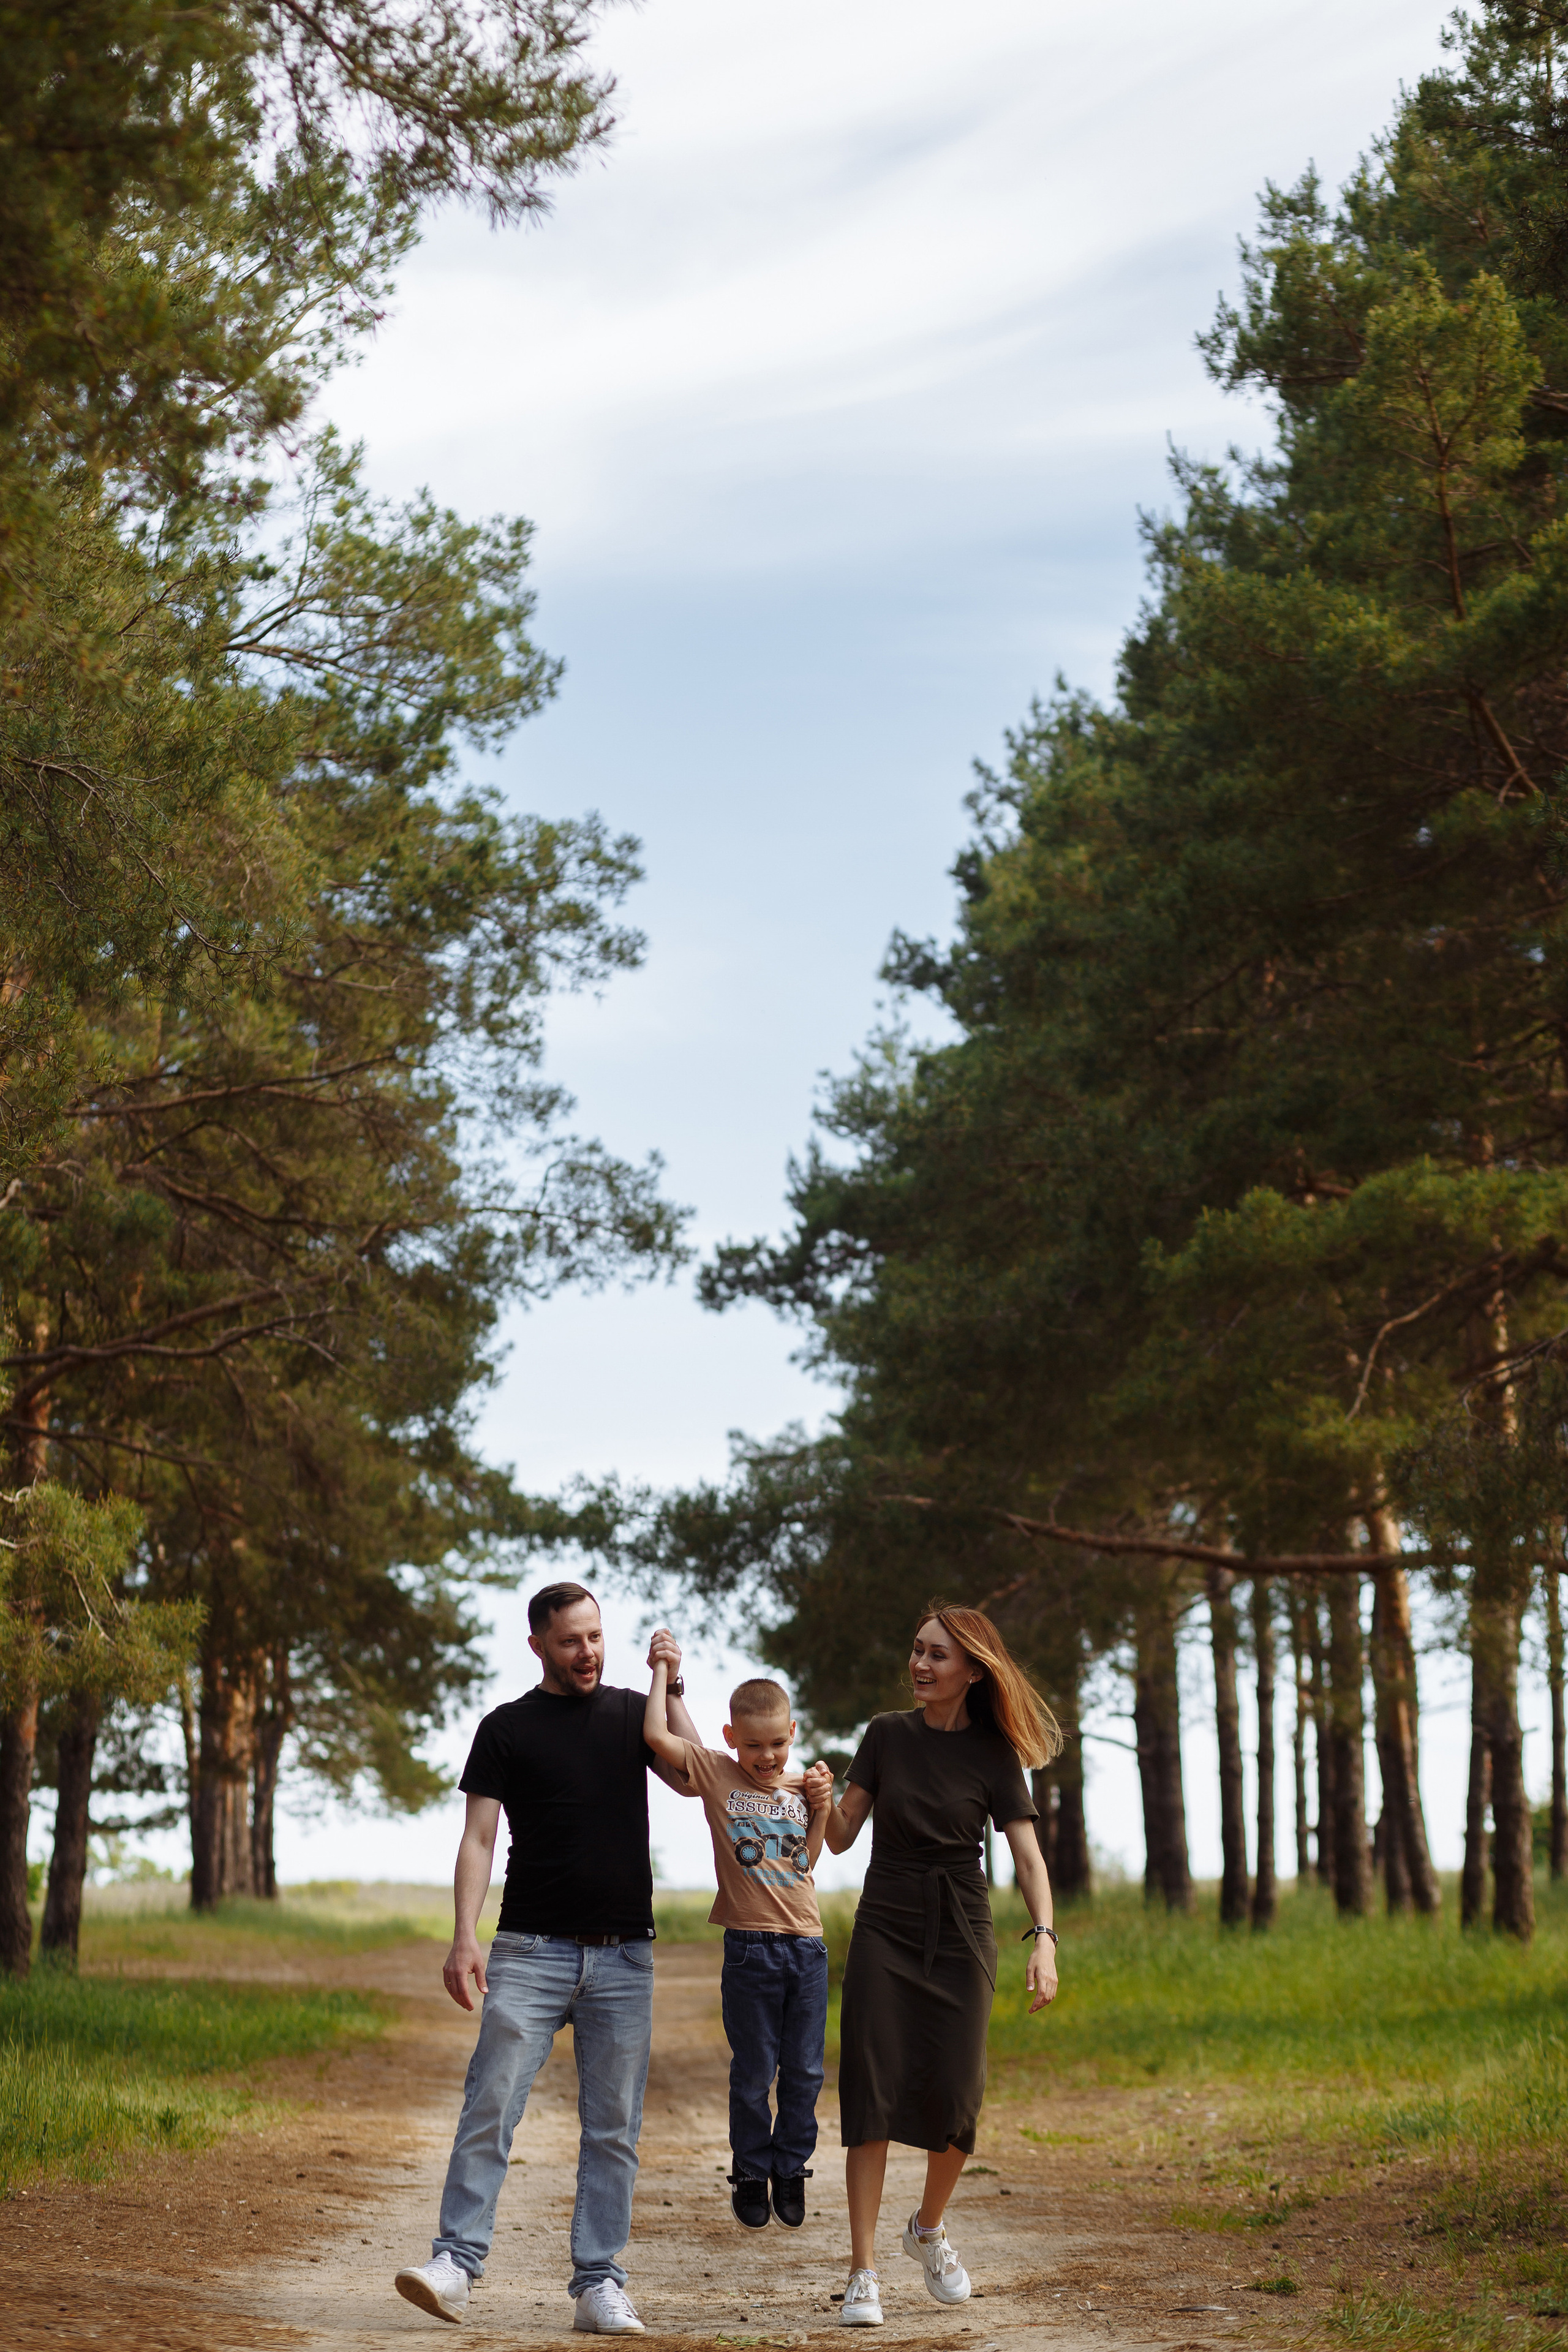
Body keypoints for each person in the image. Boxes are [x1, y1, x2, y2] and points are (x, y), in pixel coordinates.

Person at [393, 1583, 700, 2334]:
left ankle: (599, 2285)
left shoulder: (636, 1714)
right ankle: (456, 2265)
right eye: (571, 1641)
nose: (588, 1652)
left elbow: (696, 1778)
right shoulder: (505, 1728)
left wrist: (674, 1684)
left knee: (613, 2129)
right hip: (529, 1949)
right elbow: (477, 1839)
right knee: (490, 2103)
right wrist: (465, 1934)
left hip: (625, 1956)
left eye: (596, 1637)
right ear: (538, 1645)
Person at [821, 1603, 1061, 2328]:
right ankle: (862, 2272)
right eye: (917, 1651)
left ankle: (926, 2229)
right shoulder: (886, 1736)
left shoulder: (993, 1752)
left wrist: (1044, 1937)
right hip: (885, 1924)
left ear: (972, 1671)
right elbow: (837, 1838)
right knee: (872, 2093)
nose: (921, 1666)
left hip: (961, 1928)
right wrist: (814, 1798)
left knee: (956, 2099)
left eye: (937, 1656)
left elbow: (1025, 1855)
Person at [644, 1660, 834, 2230]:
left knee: (804, 2072)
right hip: (750, 1949)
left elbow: (807, 1864)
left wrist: (822, 1807)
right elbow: (657, 1735)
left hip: (808, 1947)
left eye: (778, 1743)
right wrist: (662, 1674)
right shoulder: (718, 1774)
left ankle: (792, 2167)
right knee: (754, 2072)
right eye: (754, 1745)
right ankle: (752, 2170)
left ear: (793, 1734)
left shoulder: (802, 1787)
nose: (767, 1756)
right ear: (731, 1739)